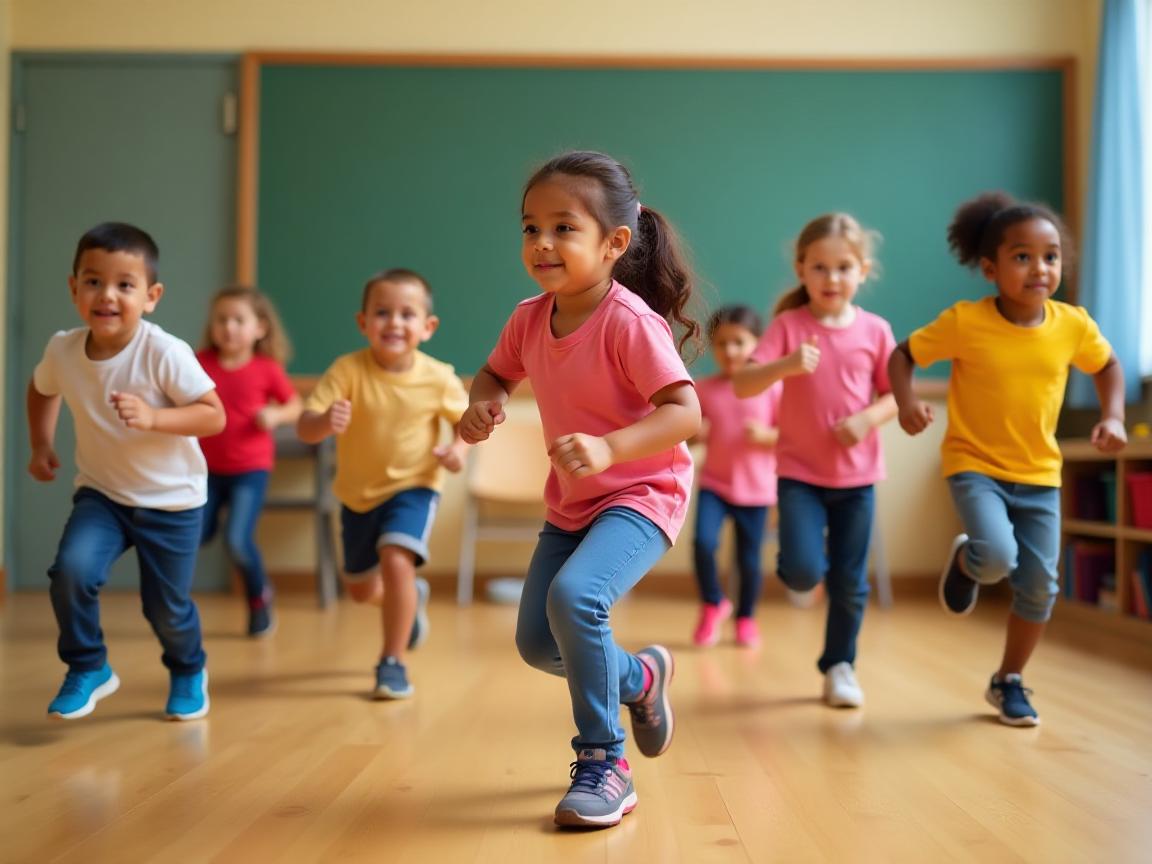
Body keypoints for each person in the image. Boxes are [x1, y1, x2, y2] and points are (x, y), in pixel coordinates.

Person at [461, 150, 701, 829]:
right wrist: (480, 404)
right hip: (572, 505)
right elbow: (492, 374)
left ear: (614, 244)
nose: (542, 243)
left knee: (577, 599)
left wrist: (608, 447)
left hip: (643, 493)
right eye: (530, 227)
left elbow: (685, 413)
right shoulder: (529, 318)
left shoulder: (629, 322)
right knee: (540, 643)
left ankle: (605, 764)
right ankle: (642, 679)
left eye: (564, 228)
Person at [889, 191, 1127, 726]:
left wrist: (1112, 416)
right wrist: (907, 403)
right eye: (1022, 256)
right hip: (975, 464)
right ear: (991, 268)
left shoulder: (1073, 325)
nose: (1039, 268)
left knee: (1041, 585)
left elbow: (1108, 364)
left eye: (1050, 257)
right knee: (997, 557)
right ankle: (970, 561)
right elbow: (903, 355)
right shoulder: (965, 322)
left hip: (1040, 473)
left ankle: (1008, 680)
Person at [28, 222, 225, 721]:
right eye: (93, 281)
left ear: (151, 296)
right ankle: (89, 665)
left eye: (125, 284)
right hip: (103, 495)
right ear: (74, 288)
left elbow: (213, 414)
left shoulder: (164, 352)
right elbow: (41, 388)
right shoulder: (63, 350)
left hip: (173, 501)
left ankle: (187, 667)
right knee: (71, 572)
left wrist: (156, 418)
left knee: (164, 608)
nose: (107, 295)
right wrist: (41, 443)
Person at [734, 213, 896, 709]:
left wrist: (867, 420)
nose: (832, 278)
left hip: (858, 476)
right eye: (820, 268)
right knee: (804, 572)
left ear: (862, 270)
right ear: (802, 269)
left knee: (850, 581)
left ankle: (839, 665)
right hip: (800, 474)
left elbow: (894, 397)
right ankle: (807, 569)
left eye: (844, 267)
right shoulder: (789, 327)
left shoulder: (875, 330)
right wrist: (785, 365)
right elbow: (744, 383)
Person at [297, 268, 467, 700]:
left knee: (396, 560)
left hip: (414, 487)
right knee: (359, 589)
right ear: (363, 322)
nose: (394, 323)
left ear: (427, 328)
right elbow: (305, 428)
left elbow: (466, 425)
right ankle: (409, 599)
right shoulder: (346, 370)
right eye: (383, 313)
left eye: (407, 314)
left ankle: (392, 661)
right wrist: (323, 422)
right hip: (357, 495)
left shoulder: (438, 376)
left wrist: (457, 452)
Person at [197, 286, 301, 637]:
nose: (228, 327)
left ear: (260, 328)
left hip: (249, 471)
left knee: (238, 541)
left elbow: (295, 406)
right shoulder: (199, 363)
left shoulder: (266, 369)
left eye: (238, 320)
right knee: (194, 535)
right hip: (205, 470)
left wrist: (275, 414)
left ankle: (259, 598)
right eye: (221, 320)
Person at [692, 305, 781, 648]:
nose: (730, 351)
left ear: (757, 345)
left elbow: (791, 436)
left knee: (748, 559)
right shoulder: (704, 389)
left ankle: (746, 618)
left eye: (739, 342)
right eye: (722, 343)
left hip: (757, 490)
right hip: (714, 483)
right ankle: (713, 603)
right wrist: (695, 434)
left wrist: (767, 436)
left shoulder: (771, 387)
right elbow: (685, 434)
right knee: (703, 544)